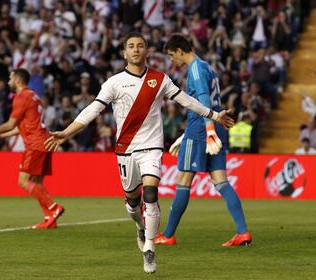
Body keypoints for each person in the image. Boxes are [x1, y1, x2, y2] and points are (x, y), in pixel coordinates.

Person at [44, 32, 234, 274]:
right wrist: (67, 132)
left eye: (140, 46)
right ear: (124, 52)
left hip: (152, 147)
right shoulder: (113, 83)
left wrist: (215, 115)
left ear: (146, 52)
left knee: (151, 194)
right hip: (125, 150)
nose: (135, 49)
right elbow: (93, 109)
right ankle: (139, 227)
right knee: (133, 203)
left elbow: (186, 100)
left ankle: (150, 249)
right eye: (131, 46)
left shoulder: (160, 79)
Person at [155, 34, 252, 247]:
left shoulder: (196, 69)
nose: (172, 60)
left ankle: (168, 234)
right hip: (213, 127)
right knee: (221, 181)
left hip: (201, 128)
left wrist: (207, 130)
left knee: (183, 181)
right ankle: (242, 232)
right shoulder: (208, 67)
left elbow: (204, 99)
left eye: (172, 55)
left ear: (180, 51)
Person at [0, 68, 64, 229]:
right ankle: (49, 218)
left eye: (10, 79)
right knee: (36, 182)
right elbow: (21, 126)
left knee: (23, 181)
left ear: (18, 80)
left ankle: (54, 208)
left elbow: (10, 124)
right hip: (45, 142)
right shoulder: (34, 96)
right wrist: (0, 136)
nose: (8, 82)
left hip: (35, 144)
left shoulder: (21, 97)